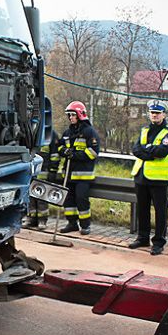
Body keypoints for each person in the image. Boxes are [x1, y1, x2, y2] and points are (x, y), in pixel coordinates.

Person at [129, 100, 168, 255]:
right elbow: (136, 149)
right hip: (141, 176)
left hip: (158, 179)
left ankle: (158, 242)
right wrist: (150, 151)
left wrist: (147, 150)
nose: (154, 115)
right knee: (142, 209)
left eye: (158, 112)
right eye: (152, 112)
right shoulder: (144, 131)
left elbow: (162, 151)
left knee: (160, 212)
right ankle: (142, 237)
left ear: (164, 114)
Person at [57, 101, 100, 235]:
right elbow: (59, 146)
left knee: (82, 201)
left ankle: (85, 225)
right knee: (68, 201)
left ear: (80, 115)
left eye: (72, 115)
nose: (70, 118)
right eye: (69, 115)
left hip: (83, 176)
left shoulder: (89, 132)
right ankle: (71, 223)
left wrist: (75, 155)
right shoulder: (67, 132)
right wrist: (64, 151)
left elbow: (93, 152)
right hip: (68, 175)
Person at [26, 129, 60, 227]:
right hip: (30, 169)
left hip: (43, 170)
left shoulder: (51, 134)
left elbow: (55, 155)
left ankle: (42, 220)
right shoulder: (30, 130)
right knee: (29, 195)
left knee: (41, 195)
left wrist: (53, 170)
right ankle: (31, 218)